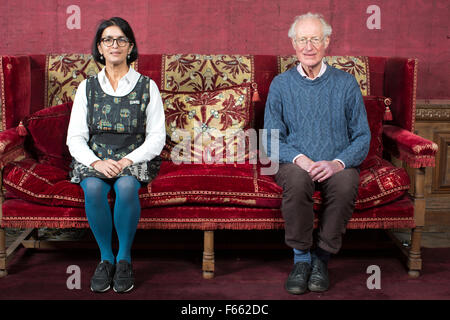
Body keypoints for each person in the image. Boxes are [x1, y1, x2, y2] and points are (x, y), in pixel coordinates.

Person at [263, 13, 371, 295]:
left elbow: (362, 136)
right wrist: (302, 160)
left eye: (314, 39)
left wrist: (337, 163)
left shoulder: (346, 84)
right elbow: (271, 139)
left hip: (337, 161)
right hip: (295, 162)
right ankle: (301, 260)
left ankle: (321, 259)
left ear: (326, 42)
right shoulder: (281, 84)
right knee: (298, 182)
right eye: (302, 40)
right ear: (293, 44)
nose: (308, 46)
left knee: (347, 183)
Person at [66, 17, 166, 293]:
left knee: (125, 186)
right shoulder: (87, 87)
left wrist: (126, 161)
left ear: (130, 46)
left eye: (121, 39)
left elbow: (157, 137)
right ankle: (105, 258)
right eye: (108, 39)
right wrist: (96, 162)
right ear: (99, 48)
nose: (115, 45)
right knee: (95, 188)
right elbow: (75, 137)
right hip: (95, 157)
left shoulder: (148, 86)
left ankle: (123, 258)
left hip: (132, 157)